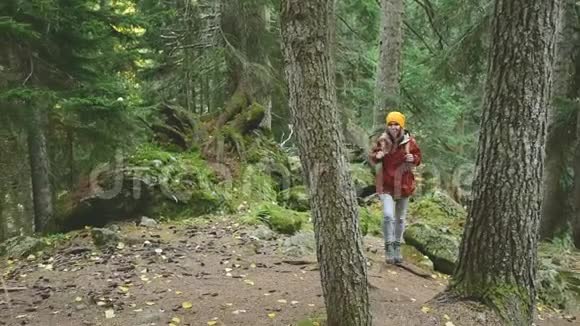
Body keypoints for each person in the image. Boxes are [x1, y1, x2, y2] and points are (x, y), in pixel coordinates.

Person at [368, 111, 422, 264]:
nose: (393, 127)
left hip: (404, 185)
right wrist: (377, 156)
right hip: (386, 186)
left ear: (401, 125)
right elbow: (373, 156)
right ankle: (388, 247)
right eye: (390, 124)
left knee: (400, 219)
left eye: (396, 124)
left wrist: (414, 158)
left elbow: (418, 158)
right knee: (387, 216)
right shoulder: (383, 141)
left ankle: (397, 247)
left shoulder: (410, 142)